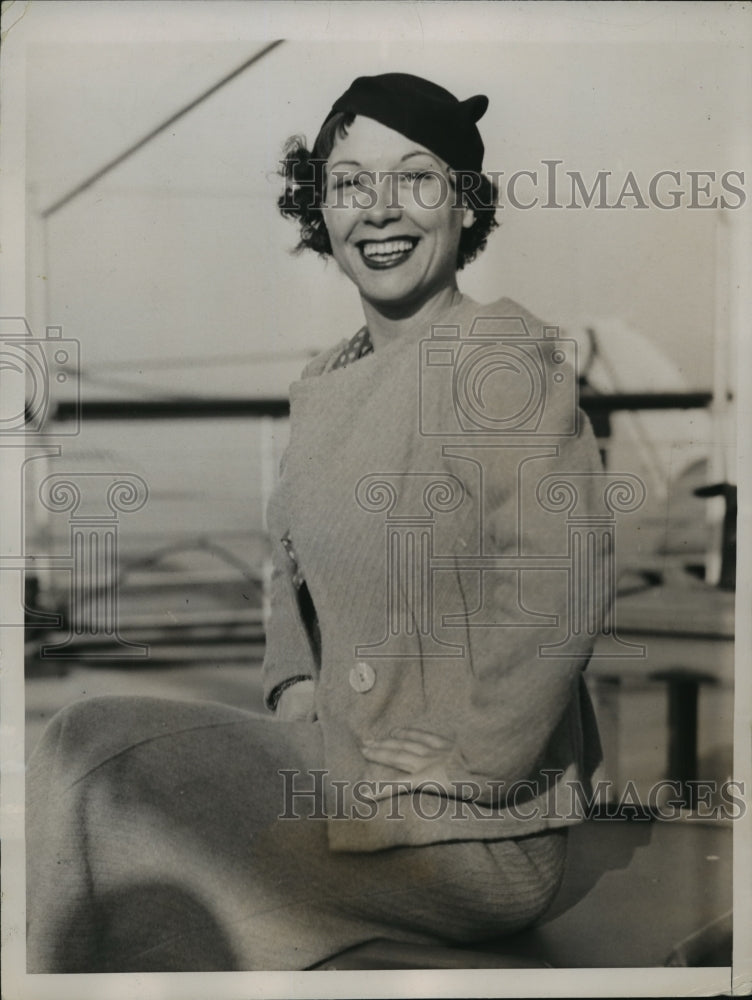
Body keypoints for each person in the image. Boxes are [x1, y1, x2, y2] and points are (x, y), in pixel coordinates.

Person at [26, 72, 604, 973]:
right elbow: (288, 566)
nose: (380, 209)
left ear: (466, 201)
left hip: (471, 830)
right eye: (348, 183)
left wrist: (480, 760)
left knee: (97, 756)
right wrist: (296, 689)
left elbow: (562, 576)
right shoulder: (327, 376)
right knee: (94, 783)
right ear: (320, 211)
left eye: (416, 177)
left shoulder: (499, 350)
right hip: (344, 774)